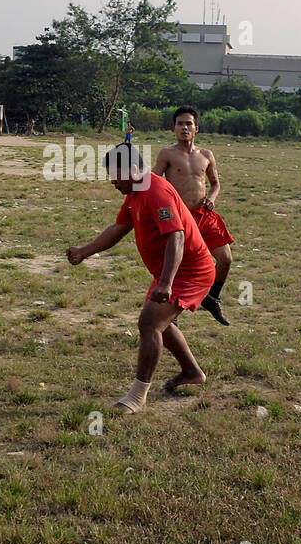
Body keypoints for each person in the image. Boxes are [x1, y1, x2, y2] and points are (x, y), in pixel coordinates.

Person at [66, 143, 214, 414]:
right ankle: (192, 371)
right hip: (172, 270)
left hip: (191, 271)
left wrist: (166, 283)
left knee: (149, 323)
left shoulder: (156, 191)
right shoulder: (135, 192)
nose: (112, 181)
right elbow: (117, 229)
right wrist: (84, 252)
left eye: (116, 175)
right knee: (160, 323)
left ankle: (136, 397)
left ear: (134, 169)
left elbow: (176, 237)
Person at [151, 106, 234, 325]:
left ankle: (212, 298)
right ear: (174, 128)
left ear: (196, 128)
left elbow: (215, 183)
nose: (184, 127)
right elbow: (154, 180)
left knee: (225, 259)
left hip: (204, 215)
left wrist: (212, 198)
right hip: (180, 218)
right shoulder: (166, 154)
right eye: (180, 123)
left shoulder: (206, 155)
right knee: (176, 264)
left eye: (188, 124)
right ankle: (171, 310)